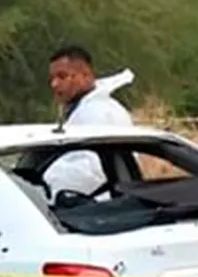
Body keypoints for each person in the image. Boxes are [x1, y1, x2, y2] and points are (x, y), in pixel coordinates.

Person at [42, 44, 136, 197]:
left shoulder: (98, 113)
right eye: (52, 78)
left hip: (97, 208)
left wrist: (47, 183)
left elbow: (93, 170)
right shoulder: (85, 109)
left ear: (85, 75)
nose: (54, 84)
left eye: (62, 76)